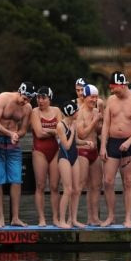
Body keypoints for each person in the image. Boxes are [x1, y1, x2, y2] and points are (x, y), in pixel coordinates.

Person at [100, 72, 131, 227]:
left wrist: (129, 141)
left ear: (122, 85)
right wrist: (103, 146)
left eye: (115, 89)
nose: (113, 92)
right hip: (112, 142)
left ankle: (128, 218)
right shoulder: (111, 100)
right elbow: (106, 124)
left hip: (130, 143)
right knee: (107, 181)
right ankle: (111, 216)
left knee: (129, 181)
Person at [0, 82, 34, 227]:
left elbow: (23, 129)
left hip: (13, 144)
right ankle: (0, 216)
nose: (25, 101)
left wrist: (17, 135)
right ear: (19, 92)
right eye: (24, 98)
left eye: (28, 99)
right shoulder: (3, 98)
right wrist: (9, 133)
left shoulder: (27, 108)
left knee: (16, 179)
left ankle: (15, 217)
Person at [30, 86, 63, 226]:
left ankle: (56, 218)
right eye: (38, 98)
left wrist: (48, 130)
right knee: (40, 185)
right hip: (39, 151)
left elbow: (62, 132)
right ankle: (42, 219)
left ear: (50, 98)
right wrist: (54, 131)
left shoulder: (57, 111)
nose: (40, 101)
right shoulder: (34, 112)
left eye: (43, 98)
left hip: (55, 150)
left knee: (55, 186)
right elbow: (38, 133)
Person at [75, 84, 103, 226]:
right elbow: (82, 134)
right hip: (82, 151)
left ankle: (93, 218)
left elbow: (97, 132)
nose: (94, 99)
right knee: (80, 185)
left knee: (96, 186)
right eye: (92, 97)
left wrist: (100, 122)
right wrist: (95, 121)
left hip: (95, 151)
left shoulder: (97, 110)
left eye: (96, 97)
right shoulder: (80, 112)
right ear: (85, 97)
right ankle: (72, 219)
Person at [56, 100, 86, 228]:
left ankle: (73, 219)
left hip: (75, 157)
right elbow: (67, 146)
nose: (78, 112)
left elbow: (75, 141)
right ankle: (62, 220)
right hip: (64, 158)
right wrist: (73, 131)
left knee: (76, 190)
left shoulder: (73, 123)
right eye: (77, 110)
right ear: (72, 113)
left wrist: (85, 143)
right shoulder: (60, 126)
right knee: (67, 190)